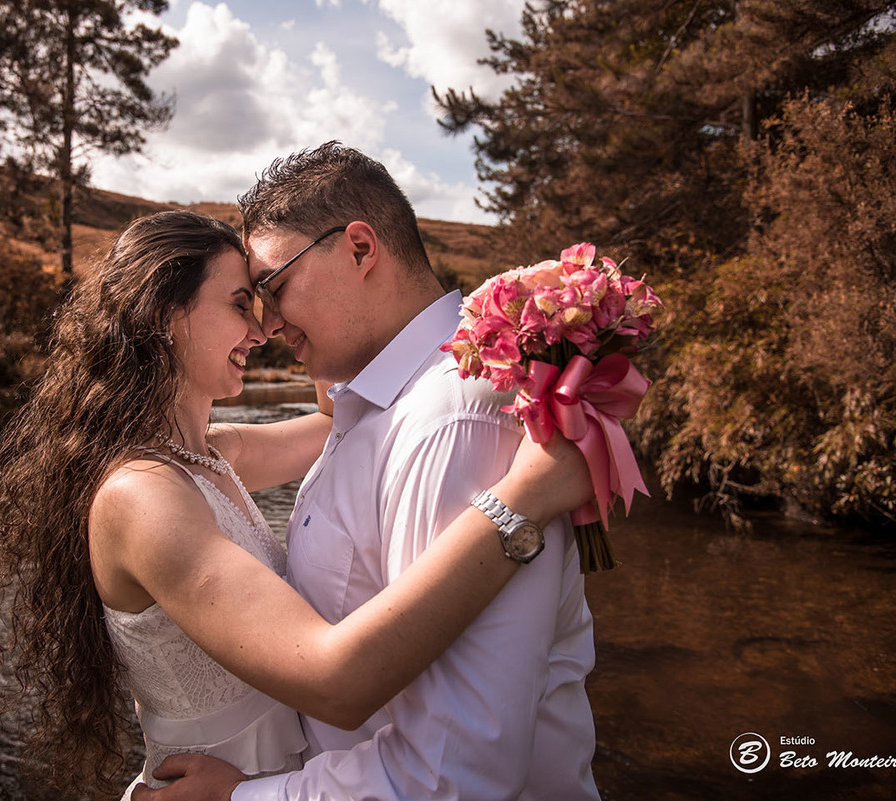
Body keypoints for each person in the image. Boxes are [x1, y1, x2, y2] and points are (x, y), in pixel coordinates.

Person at [0, 209, 591, 798]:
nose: (262, 329)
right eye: (241, 304)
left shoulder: (210, 455)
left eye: (264, 304)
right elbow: (335, 678)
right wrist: (523, 501)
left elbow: (333, 419)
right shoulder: (143, 496)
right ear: (165, 314)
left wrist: (492, 316)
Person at [134, 144, 601, 800]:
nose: (267, 324)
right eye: (250, 300)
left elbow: (453, 772)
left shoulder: (452, 420)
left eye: (273, 287)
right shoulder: (371, 405)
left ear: (359, 249)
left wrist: (244, 797)